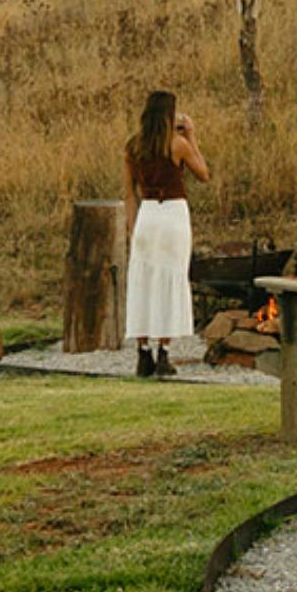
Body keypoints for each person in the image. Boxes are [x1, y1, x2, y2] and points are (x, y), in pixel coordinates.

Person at [122, 89, 209, 379]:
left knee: (144, 281)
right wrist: (192, 135)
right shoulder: (177, 144)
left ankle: (142, 351)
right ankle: (164, 353)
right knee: (169, 279)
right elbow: (203, 173)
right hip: (172, 214)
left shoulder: (133, 147)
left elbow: (129, 194)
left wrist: (133, 228)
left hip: (147, 214)